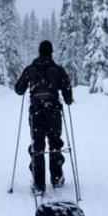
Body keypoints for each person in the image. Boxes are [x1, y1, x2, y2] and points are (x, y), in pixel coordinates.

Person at [15, 40, 73, 194]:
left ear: (39, 52)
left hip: (36, 114)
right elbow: (67, 94)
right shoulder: (58, 70)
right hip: (54, 113)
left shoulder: (30, 69)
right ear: (51, 52)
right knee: (55, 144)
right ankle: (56, 178)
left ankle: (39, 184)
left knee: (38, 147)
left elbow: (18, 89)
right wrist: (68, 98)